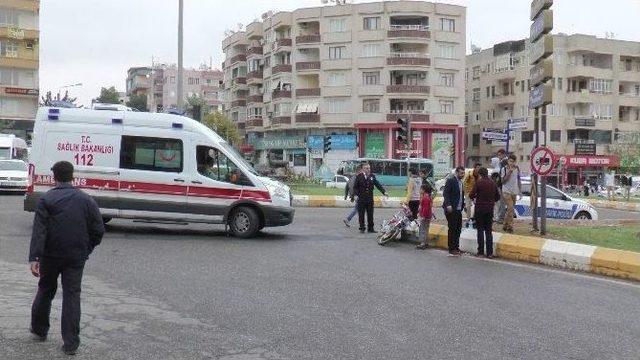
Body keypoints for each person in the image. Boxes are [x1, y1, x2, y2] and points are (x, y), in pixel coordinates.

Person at [29, 161, 105, 356]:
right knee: (72, 295)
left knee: (45, 289)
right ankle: (70, 343)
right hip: (75, 256)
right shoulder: (86, 200)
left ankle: (39, 329)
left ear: (54, 177)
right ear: (72, 176)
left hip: (50, 255)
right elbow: (98, 229)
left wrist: (35, 258)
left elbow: (39, 232)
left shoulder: (46, 200)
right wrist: (86, 249)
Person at [470, 167, 501, 258]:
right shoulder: (493, 183)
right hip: (490, 209)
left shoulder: (478, 182)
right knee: (488, 231)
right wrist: (491, 201)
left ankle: (480, 252)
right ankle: (489, 253)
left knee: (480, 230)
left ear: (480, 174)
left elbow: (472, 194)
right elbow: (497, 197)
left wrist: (476, 198)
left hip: (480, 209)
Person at [352, 163, 388, 234]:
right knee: (361, 215)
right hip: (361, 199)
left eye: (369, 168)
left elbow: (377, 185)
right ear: (362, 169)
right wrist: (356, 195)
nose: (368, 169)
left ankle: (371, 228)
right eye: (366, 168)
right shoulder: (359, 176)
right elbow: (355, 187)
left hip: (370, 199)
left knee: (370, 214)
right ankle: (362, 228)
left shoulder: (372, 176)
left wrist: (384, 192)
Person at [442, 166, 465, 256]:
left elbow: (460, 195)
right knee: (452, 229)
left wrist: (463, 205)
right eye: (461, 173)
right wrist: (448, 205)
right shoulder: (451, 180)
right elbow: (446, 193)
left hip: (458, 209)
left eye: (463, 173)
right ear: (456, 172)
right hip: (451, 209)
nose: (462, 175)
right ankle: (451, 248)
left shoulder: (461, 182)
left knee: (458, 229)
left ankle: (456, 247)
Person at [500, 154, 522, 233]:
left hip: (514, 191)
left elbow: (519, 179)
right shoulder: (504, 169)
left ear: (515, 162)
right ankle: (510, 227)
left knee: (510, 210)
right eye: (510, 161)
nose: (511, 163)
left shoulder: (517, 169)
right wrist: (509, 172)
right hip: (506, 191)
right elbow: (503, 181)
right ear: (508, 161)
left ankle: (505, 225)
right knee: (510, 208)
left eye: (513, 161)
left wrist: (520, 190)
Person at [416, 183, 434, 250]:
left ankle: (423, 243)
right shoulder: (428, 197)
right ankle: (425, 242)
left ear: (424, 190)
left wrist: (423, 216)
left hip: (425, 216)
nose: (420, 190)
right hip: (428, 216)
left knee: (423, 229)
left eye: (421, 189)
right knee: (426, 229)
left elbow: (425, 208)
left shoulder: (425, 198)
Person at [492, 149, 508, 224]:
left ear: (503, 154)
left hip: (502, 185)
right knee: (500, 203)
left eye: (500, 155)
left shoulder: (504, 162)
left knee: (501, 203)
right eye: (498, 155)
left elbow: (502, 174)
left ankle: (501, 218)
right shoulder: (501, 162)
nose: (499, 157)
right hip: (501, 185)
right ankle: (500, 217)